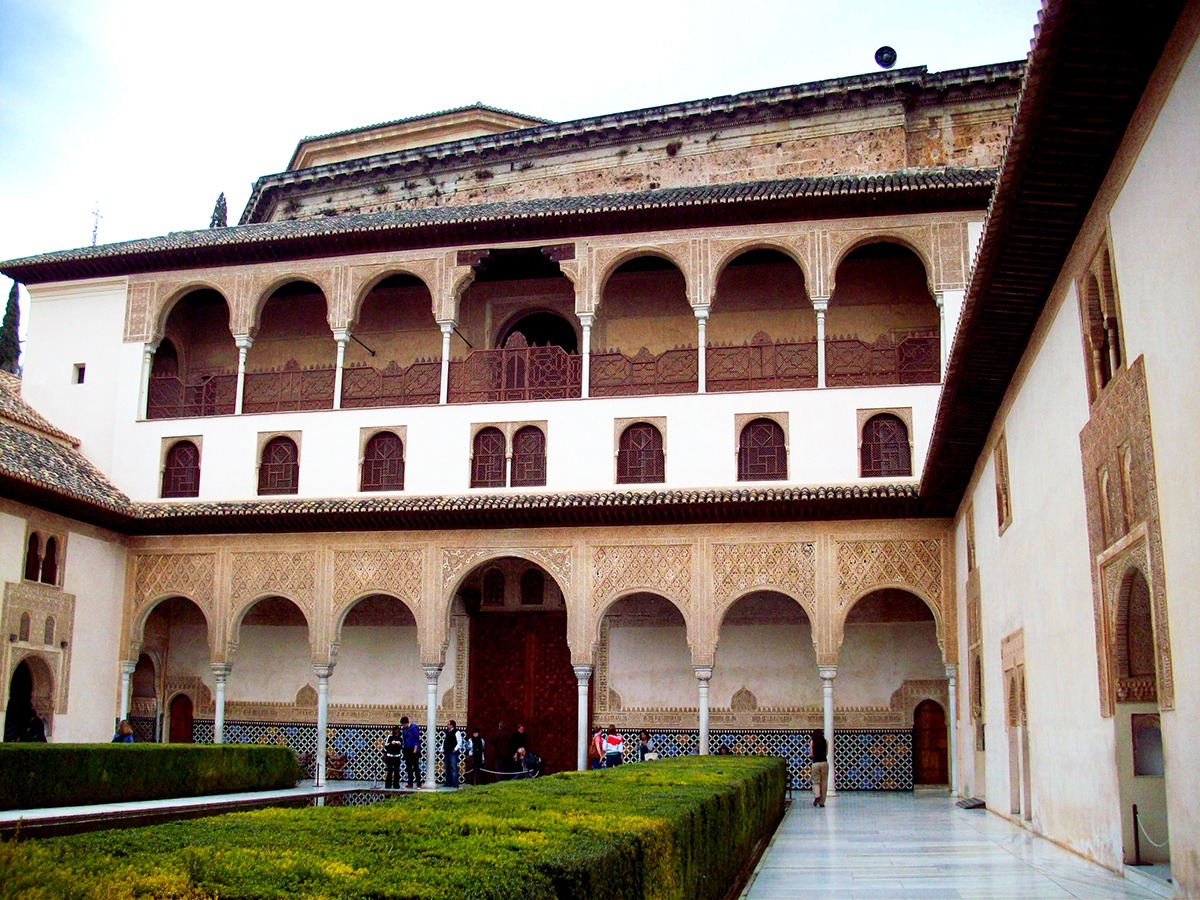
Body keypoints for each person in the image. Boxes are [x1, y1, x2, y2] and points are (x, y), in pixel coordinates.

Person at [400, 716, 421, 788]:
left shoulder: (414, 728)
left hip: (414, 749)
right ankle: (410, 782)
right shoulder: (404, 729)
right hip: (407, 749)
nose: (403, 726)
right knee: (408, 767)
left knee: (416, 767)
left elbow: (416, 739)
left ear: (406, 723)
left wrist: (415, 749)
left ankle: (418, 783)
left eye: (403, 724)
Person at [442, 720, 462, 788]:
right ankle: (448, 782)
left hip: (453, 752)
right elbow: (444, 741)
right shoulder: (446, 732)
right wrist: (442, 749)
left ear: (452, 725)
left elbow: (459, 741)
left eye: (448, 724)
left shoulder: (456, 732)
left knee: (453, 768)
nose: (447, 726)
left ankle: (455, 783)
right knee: (447, 768)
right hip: (447, 752)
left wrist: (455, 749)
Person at [811, 729, 829, 808]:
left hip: (815, 763)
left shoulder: (812, 742)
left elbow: (811, 754)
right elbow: (826, 753)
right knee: (824, 782)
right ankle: (822, 802)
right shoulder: (826, 742)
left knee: (816, 781)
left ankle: (817, 795)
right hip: (824, 763)